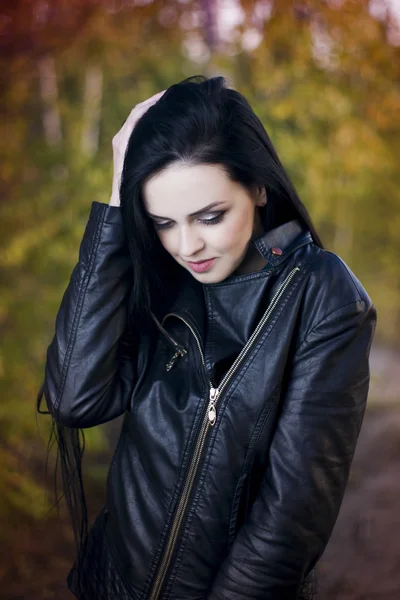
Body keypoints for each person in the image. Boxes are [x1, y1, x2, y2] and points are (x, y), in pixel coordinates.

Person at [37, 75, 377, 600]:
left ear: (260, 187)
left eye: (210, 217)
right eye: (163, 222)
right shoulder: (164, 282)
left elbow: (288, 521)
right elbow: (72, 398)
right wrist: (112, 208)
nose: (186, 244)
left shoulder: (324, 296)